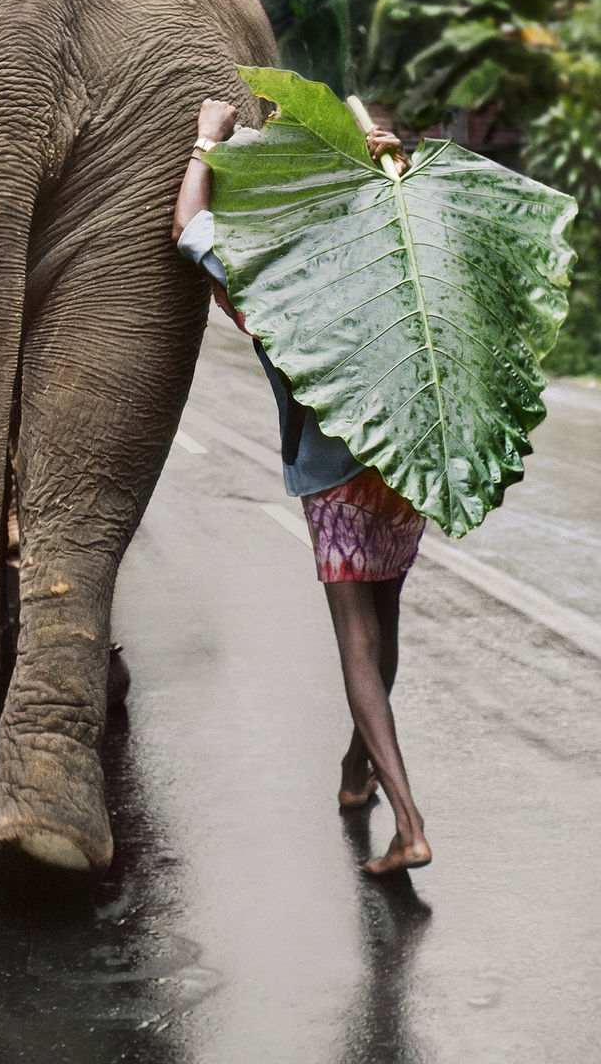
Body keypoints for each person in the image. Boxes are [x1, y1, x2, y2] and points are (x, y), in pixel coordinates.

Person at [173, 98, 432, 876]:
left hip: (337, 478)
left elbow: (186, 226)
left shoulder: (281, 270)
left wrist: (207, 140)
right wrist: (400, 169)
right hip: (406, 462)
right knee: (383, 626)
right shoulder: (389, 242)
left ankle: (409, 825)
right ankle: (357, 777)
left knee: (356, 648)